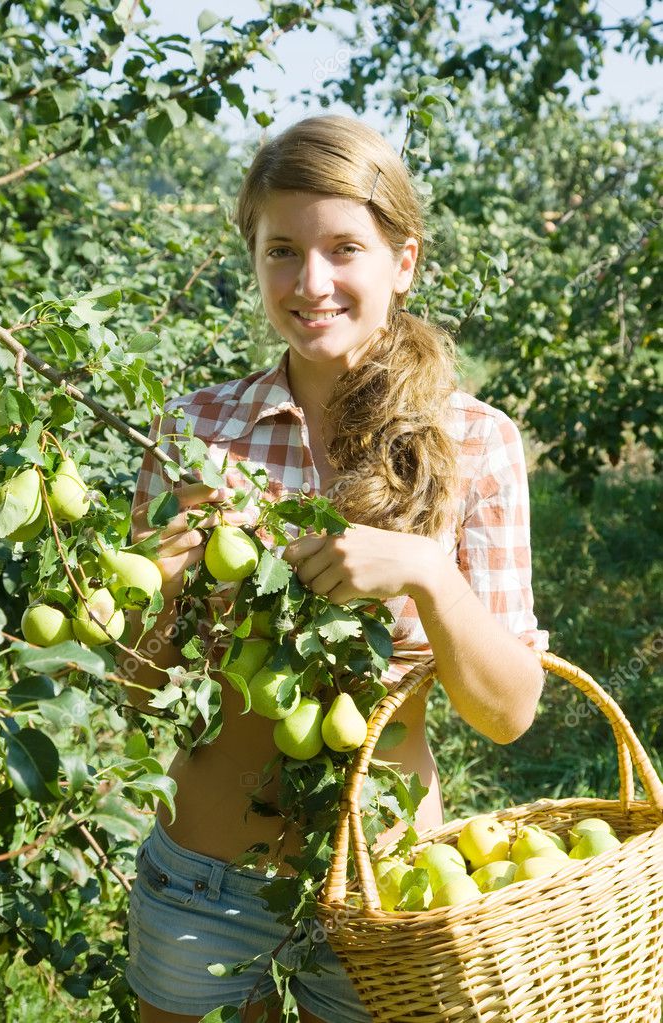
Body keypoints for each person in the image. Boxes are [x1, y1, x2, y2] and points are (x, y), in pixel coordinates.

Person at [122, 114, 549, 1023]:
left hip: (383, 880)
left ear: (404, 260)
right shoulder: (193, 436)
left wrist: (432, 575)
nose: (311, 282)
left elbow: (509, 712)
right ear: (254, 258)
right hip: (203, 883)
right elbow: (136, 691)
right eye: (282, 250)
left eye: (343, 247)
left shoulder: (474, 442)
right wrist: (156, 588)